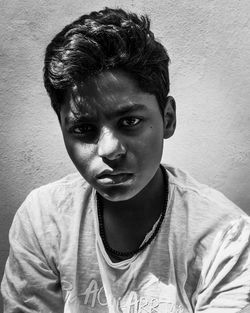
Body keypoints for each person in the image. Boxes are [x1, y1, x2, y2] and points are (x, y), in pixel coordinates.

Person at [1, 7, 250, 313]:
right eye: (84, 129)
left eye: (129, 121)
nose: (109, 150)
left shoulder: (224, 237)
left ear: (168, 119)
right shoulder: (44, 220)